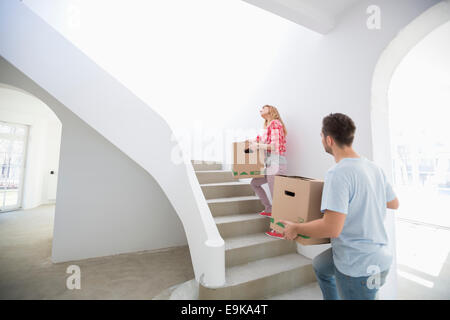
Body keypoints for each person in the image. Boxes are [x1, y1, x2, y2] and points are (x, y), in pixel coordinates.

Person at [280, 113, 400, 300]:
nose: (321, 140)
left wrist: (296, 228)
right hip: (380, 259)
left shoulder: (338, 173)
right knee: (321, 266)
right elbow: (394, 203)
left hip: (359, 268)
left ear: (329, 140)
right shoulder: (373, 168)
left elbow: (331, 228)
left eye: (321, 136)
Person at [249, 105, 287, 239]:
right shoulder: (267, 127)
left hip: (276, 163)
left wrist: (258, 145)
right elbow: (259, 139)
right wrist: (251, 142)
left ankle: (279, 230)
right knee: (254, 183)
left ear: (271, 110)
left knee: (277, 196)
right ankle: (268, 208)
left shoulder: (275, 123)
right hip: (269, 164)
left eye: (263, 108)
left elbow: (274, 146)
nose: (260, 109)